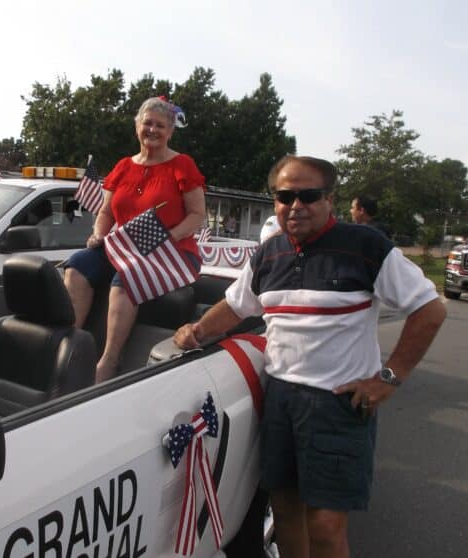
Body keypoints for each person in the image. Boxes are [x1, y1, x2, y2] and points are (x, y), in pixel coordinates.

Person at [174, 155, 446, 558]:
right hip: (281, 398)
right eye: (285, 196)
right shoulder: (269, 254)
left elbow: (430, 308)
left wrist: (389, 377)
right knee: (284, 512)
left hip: (338, 404)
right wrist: (196, 332)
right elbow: (237, 307)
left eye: (308, 195)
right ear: (275, 200)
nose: (295, 205)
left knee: (324, 526)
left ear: (329, 199)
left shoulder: (366, 247)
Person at [64, 97, 206, 383]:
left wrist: (168, 237)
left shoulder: (182, 165)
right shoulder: (123, 167)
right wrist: (98, 235)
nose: (152, 130)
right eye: (147, 123)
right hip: (127, 247)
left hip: (173, 251)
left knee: (126, 277)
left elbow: (197, 215)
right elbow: (105, 211)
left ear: (170, 131)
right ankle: (71, 345)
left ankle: (108, 361)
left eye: (160, 125)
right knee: (77, 264)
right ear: (137, 126)